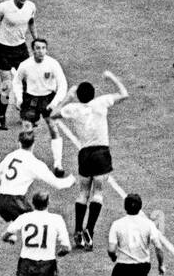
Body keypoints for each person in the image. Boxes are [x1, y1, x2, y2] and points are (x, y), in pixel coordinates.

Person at [51, 73, 127, 250]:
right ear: (93, 93)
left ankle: (78, 231)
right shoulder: (101, 102)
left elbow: (53, 114)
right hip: (101, 151)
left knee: (83, 192)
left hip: (84, 153)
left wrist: (68, 97)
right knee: (98, 191)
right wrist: (112, 77)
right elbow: (124, 94)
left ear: (79, 96)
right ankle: (89, 231)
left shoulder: (73, 108)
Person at [10, 38, 68, 174]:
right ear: (33, 50)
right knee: (27, 131)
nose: (41, 51)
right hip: (31, 100)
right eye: (38, 48)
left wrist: (54, 103)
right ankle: (24, 162)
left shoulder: (53, 64)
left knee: (53, 128)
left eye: (43, 48)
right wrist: (19, 98)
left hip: (48, 98)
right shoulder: (25, 65)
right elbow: (17, 82)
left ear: (46, 50)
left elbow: (63, 85)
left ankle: (58, 164)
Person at [0, 130, 75, 222]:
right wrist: (71, 180)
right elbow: (58, 184)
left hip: (0, 201)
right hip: (16, 202)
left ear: (19, 143)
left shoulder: (11, 156)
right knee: (35, 223)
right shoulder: (34, 163)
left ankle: (13, 236)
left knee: (17, 228)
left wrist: (9, 180)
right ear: (33, 144)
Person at [0, 0, 36, 131]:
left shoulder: (31, 7)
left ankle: (26, 114)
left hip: (21, 49)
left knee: (28, 84)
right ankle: (1, 119)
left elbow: (32, 23)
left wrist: (36, 41)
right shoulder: (4, 7)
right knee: (7, 86)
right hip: (4, 49)